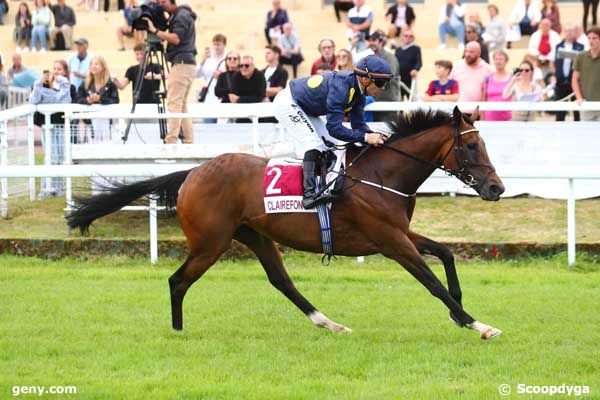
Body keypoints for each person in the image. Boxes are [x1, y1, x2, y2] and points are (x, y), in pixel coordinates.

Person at [273, 55, 393, 209]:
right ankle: (309, 196)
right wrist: (366, 137)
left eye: (386, 83)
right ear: (365, 79)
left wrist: (375, 136)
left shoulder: (359, 92)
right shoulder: (342, 88)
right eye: (380, 82)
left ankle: (325, 187)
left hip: (305, 107)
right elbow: (334, 128)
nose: (383, 88)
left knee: (332, 146)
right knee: (314, 144)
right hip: (288, 102)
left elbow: (358, 125)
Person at [143, 0, 197, 144]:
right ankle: (188, 141)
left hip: (181, 63)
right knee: (181, 105)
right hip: (186, 63)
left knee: (174, 104)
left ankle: (171, 142)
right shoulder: (181, 15)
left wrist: (155, 30)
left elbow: (176, 39)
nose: (161, 4)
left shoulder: (181, 16)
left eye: (164, 1)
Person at [29, 60, 72, 197]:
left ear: (65, 71)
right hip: (47, 125)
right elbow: (34, 100)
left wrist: (63, 83)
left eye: (59, 69)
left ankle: (58, 189)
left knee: (60, 157)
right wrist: (38, 84)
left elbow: (64, 101)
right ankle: (45, 188)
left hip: (61, 124)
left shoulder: (68, 86)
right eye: (54, 69)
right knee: (50, 156)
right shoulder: (42, 85)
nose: (56, 72)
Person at [77, 56, 119, 142]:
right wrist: (87, 101)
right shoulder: (85, 83)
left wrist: (100, 99)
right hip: (90, 120)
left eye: (96, 64)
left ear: (103, 67)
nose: (93, 66)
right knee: (92, 146)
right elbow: (78, 99)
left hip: (107, 120)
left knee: (107, 145)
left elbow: (115, 100)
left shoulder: (110, 83)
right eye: (91, 64)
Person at [553, 24, 584, 121]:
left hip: (575, 83)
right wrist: (556, 75)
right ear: (564, 32)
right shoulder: (558, 46)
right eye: (567, 30)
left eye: (571, 30)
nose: (569, 33)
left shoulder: (581, 47)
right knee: (560, 112)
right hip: (561, 82)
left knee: (577, 111)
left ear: (575, 32)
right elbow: (553, 62)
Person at [572, 26, 600, 121]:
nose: (591, 41)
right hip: (586, 105)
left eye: (594, 38)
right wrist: (579, 98)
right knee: (586, 134)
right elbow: (575, 79)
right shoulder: (580, 56)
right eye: (589, 38)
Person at [196, 33, 227, 107]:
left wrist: (221, 76)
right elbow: (196, 75)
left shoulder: (229, 58)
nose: (216, 47)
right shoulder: (208, 59)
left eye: (219, 44)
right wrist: (202, 60)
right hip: (209, 99)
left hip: (224, 99)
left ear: (224, 45)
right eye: (214, 44)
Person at [482, 50, 512, 121]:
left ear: (506, 61)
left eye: (501, 59)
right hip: (489, 118)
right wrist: (482, 117)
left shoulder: (511, 78)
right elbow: (483, 99)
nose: (498, 61)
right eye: (496, 59)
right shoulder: (488, 78)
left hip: (508, 118)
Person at [395, 27, 421, 99]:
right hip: (399, 79)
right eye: (406, 35)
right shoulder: (398, 50)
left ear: (413, 38)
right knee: (399, 101)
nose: (408, 38)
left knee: (412, 100)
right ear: (402, 37)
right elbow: (394, 63)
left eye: (411, 36)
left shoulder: (416, 49)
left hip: (410, 79)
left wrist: (415, 69)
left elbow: (419, 62)